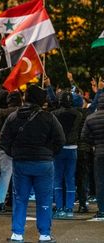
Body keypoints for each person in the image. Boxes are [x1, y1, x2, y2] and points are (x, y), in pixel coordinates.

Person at [0, 85, 65, 243]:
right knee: (44, 198)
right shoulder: (48, 117)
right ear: (41, 100)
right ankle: (44, 234)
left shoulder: (14, 117)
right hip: (44, 163)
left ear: (25, 98)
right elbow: (60, 140)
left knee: (20, 198)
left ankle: (17, 233)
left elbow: (3, 140)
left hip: (21, 162)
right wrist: (49, 153)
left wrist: (14, 153)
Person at [51, 91, 83, 219]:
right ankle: (69, 208)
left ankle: (59, 208)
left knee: (57, 178)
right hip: (72, 149)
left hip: (58, 149)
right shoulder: (79, 115)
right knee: (70, 179)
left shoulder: (54, 114)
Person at [81, 93, 104, 220]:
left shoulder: (91, 118)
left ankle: (102, 210)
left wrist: (94, 143)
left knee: (100, 182)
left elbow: (84, 137)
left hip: (99, 153)